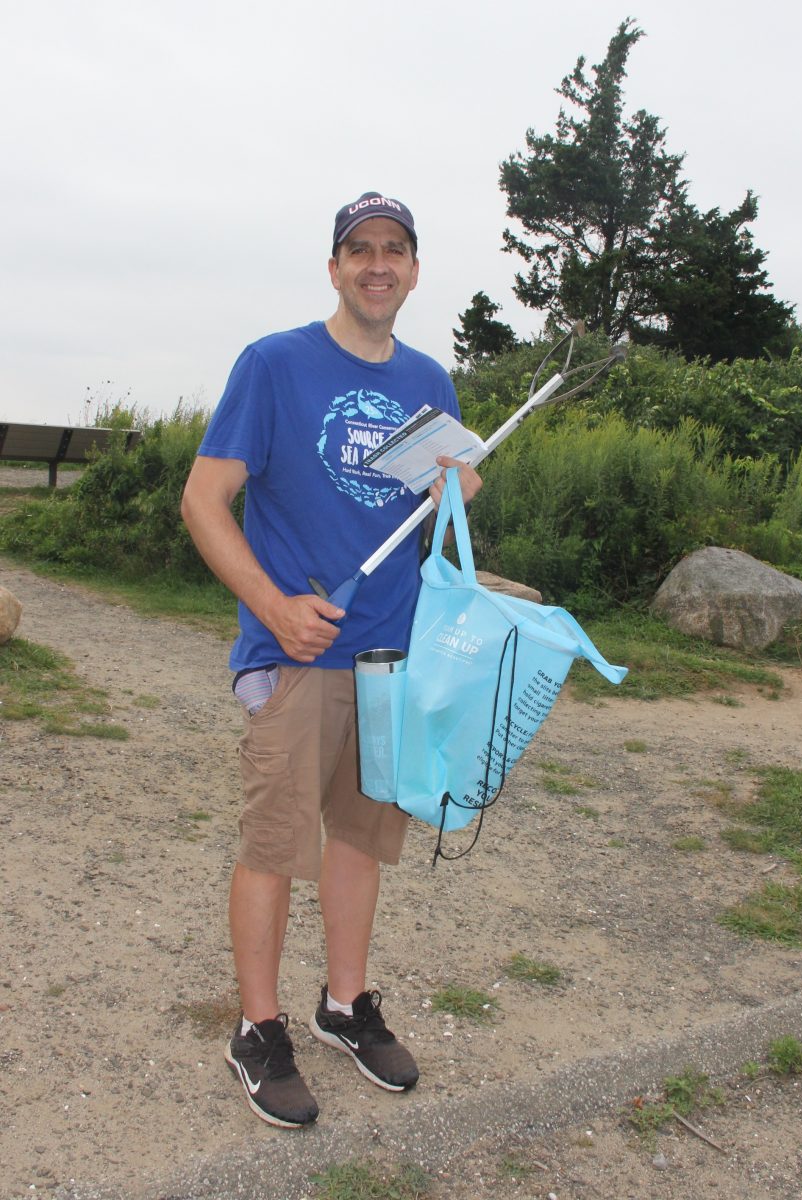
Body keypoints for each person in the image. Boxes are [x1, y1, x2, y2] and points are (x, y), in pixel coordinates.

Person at [181, 191, 482, 1128]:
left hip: (390, 657)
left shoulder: (431, 380)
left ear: (415, 269)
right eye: (360, 249)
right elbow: (203, 499)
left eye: (395, 249)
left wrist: (458, 491)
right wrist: (274, 605)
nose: (378, 264)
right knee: (277, 844)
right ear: (335, 267)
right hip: (296, 654)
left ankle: (344, 1005)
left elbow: (438, 520)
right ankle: (257, 1029)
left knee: (360, 837)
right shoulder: (275, 365)